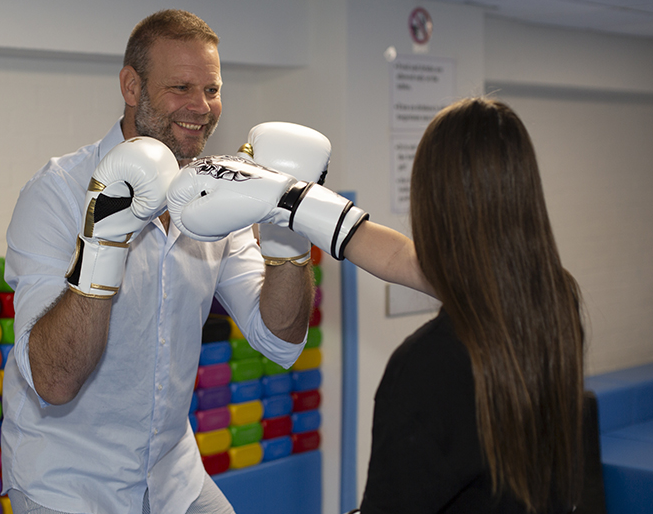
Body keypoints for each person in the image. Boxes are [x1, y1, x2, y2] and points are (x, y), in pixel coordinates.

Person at [168, 97, 586, 513]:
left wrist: (287, 203)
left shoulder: (425, 366)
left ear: (429, 199)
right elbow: (404, 258)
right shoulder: (555, 303)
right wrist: (293, 204)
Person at [0, 9, 317, 514]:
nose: (201, 107)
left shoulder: (217, 194)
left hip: (172, 473)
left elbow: (280, 339)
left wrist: (287, 232)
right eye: (181, 87)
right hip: (69, 481)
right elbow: (53, 382)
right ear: (132, 86)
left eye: (211, 89)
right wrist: (102, 246)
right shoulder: (57, 193)